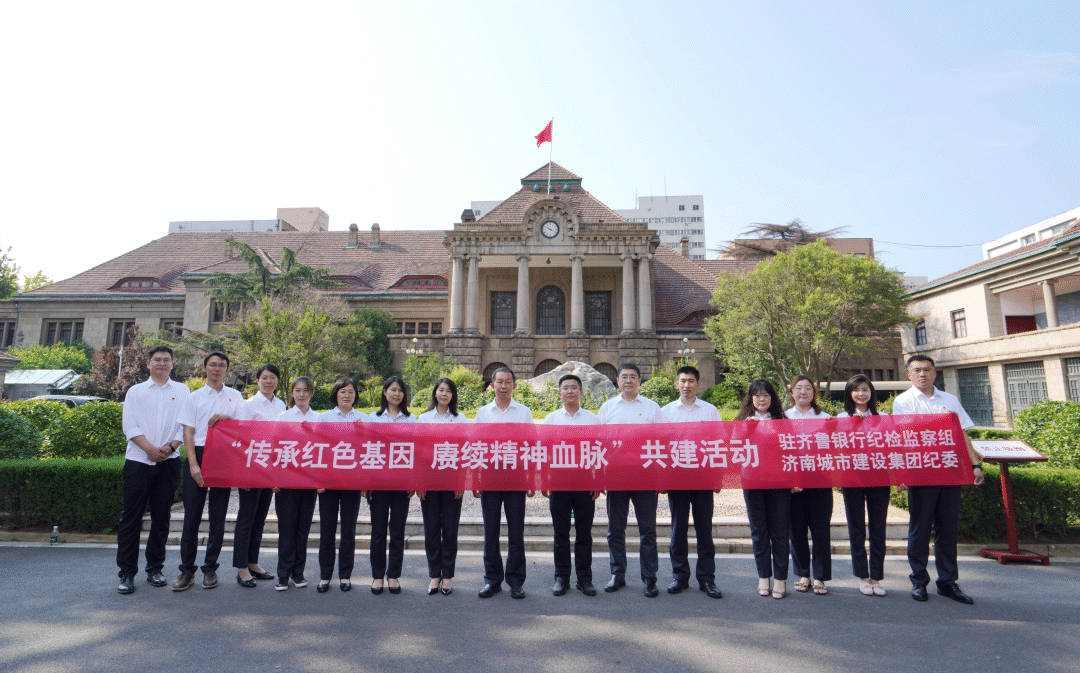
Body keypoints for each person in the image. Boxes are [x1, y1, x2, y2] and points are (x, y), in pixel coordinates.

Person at [893, 355, 984, 604]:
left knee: (948, 529)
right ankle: (919, 581)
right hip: (921, 473)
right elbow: (902, 438)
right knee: (920, 529)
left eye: (927, 370)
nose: (922, 374)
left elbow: (962, 434)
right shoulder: (903, 401)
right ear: (909, 375)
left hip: (950, 472)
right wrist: (901, 472)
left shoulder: (950, 400)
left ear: (935, 373)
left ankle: (948, 582)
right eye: (917, 370)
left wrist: (975, 465)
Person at [116, 345, 188, 594]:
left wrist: (170, 447)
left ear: (172, 363)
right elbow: (129, 425)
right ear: (148, 363)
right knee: (131, 518)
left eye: (166, 359)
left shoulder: (182, 390)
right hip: (138, 461)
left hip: (169, 461)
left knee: (161, 517)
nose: (162, 363)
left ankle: (155, 569)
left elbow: (185, 425)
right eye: (157, 359)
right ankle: (126, 573)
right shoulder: (136, 391)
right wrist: (150, 449)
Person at [174, 351, 243, 591]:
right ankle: (186, 570)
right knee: (191, 517)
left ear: (227, 370)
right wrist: (194, 464)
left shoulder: (235, 396)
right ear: (204, 367)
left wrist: (227, 417)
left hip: (223, 456)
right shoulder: (193, 398)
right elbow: (188, 433)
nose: (217, 369)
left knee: (218, 517)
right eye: (213, 364)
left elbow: (242, 428)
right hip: (199, 454)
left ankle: (210, 568)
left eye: (221, 365)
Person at [598, 363, 662, 598]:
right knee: (615, 529)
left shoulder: (652, 408)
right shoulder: (607, 408)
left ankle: (649, 577)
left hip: (645, 477)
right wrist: (600, 476)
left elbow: (661, 443)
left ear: (639, 381)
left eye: (633, 377)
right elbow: (599, 444)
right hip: (616, 477)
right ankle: (617, 574)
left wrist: (660, 478)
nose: (628, 380)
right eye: (624, 377)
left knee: (648, 530)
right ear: (617, 381)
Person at [659, 365, 723, 599]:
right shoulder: (665, 412)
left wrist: (717, 477)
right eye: (683, 381)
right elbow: (659, 447)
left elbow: (719, 444)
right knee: (678, 529)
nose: (686, 385)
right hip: (676, 478)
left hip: (703, 478)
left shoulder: (710, 411)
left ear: (698, 384)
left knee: (704, 529)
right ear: (676, 384)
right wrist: (661, 479)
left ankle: (707, 579)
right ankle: (680, 576)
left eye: (691, 381)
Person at [474, 367, 534, 599]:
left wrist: (531, 478)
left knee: (516, 531)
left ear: (514, 386)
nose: (503, 386)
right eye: (499, 382)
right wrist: (476, 478)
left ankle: (516, 581)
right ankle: (492, 580)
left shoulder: (524, 412)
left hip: (516, 478)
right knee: (490, 531)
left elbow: (531, 446)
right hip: (490, 477)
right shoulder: (483, 413)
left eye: (508, 382)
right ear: (492, 385)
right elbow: (477, 446)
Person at [542, 374, 601, 597]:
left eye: (574, 387)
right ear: (559, 393)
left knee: (584, 534)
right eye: (565, 388)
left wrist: (598, 481)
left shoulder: (592, 419)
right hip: (559, 482)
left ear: (581, 393)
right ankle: (561, 577)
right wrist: (544, 479)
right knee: (561, 533)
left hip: (585, 482)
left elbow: (599, 451)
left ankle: (585, 579)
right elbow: (544, 452)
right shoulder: (551, 419)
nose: (570, 391)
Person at [232, 364, 285, 588]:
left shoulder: (281, 405)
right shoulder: (249, 405)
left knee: (260, 518)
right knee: (246, 518)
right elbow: (241, 439)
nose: (268, 381)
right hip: (252, 468)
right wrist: (243, 474)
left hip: (270, 469)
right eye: (264, 378)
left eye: (272, 377)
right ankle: (241, 567)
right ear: (258, 381)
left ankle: (253, 562)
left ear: (277, 381)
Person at [736, 379, 791, 599]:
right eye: (757, 395)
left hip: (779, 482)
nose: (761, 399)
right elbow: (733, 448)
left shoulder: (782, 420)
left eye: (766, 395)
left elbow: (791, 449)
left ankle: (780, 579)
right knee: (759, 531)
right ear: (750, 398)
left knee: (780, 531)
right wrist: (747, 430)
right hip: (752, 481)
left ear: (772, 398)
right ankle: (763, 576)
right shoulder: (742, 421)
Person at [836, 374, 889, 597]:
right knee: (856, 528)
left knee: (878, 528)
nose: (861, 394)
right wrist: (853, 426)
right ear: (849, 394)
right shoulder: (841, 418)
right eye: (856, 390)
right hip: (852, 478)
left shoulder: (883, 417)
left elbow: (891, 446)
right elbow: (836, 448)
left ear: (871, 393)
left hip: (879, 478)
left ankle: (876, 576)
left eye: (865, 389)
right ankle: (863, 576)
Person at [315, 377, 367, 593]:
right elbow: (317, 449)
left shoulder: (364, 418)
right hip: (328, 482)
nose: (347, 395)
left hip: (352, 482)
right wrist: (318, 479)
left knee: (348, 531)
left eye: (351, 392)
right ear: (335, 394)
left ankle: (345, 575)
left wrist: (364, 482)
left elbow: (368, 450)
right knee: (327, 530)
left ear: (355, 395)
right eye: (343, 391)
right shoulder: (324, 418)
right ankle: (325, 576)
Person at [417, 377, 467, 596]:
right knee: (431, 529)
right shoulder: (424, 418)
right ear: (435, 393)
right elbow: (419, 452)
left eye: (448, 391)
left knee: (450, 529)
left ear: (452, 395)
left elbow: (464, 451)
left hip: (451, 479)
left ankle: (447, 575)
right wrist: (419, 481)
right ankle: (434, 575)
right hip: (429, 480)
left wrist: (461, 481)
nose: (444, 394)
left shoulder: (459, 418)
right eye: (441, 390)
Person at [785, 375, 834, 596]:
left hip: (820, 481)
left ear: (814, 393)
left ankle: (820, 576)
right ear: (791, 392)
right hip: (793, 483)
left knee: (821, 530)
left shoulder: (826, 418)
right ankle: (803, 574)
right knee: (796, 531)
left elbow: (836, 448)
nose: (803, 392)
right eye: (799, 388)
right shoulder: (783, 418)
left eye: (808, 388)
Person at [366, 375, 415, 595]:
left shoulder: (411, 419)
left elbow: (416, 451)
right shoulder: (373, 418)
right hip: (378, 482)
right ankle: (377, 576)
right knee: (378, 531)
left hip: (401, 482)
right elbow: (366, 448)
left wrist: (413, 480)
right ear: (385, 392)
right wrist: (365, 481)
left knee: (397, 531)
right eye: (393, 390)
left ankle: (393, 575)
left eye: (400, 390)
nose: (397, 394)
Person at [273, 376, 320, 591]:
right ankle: (283, 574)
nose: (301, 394)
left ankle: (298, 573)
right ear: (292, 393)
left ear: (311, 393)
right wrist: (274, 478)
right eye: (297, 390)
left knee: (303, 530)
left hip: (309, 482)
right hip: (286, 482)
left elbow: (324, 450)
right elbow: (274, 449)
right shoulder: (283, 417)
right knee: (286, 529)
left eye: (305, 390)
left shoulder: (318, 419)